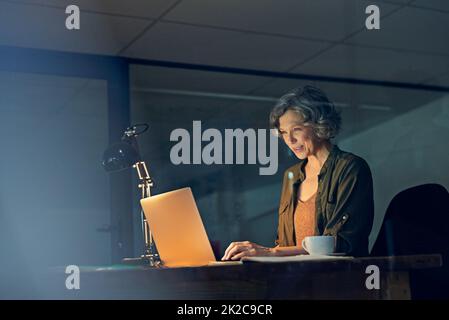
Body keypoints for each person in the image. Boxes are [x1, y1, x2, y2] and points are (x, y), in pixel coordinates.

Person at [222, 85, 374, 260]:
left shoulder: (351, 168)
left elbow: (341, 242)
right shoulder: (291, 175)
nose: (290, 140)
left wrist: (271, 252)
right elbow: (284, 243)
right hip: (298, 279)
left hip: (340, 278)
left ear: (319, 124)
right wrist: (259, 253)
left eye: (296, 130)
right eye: (284, 133)